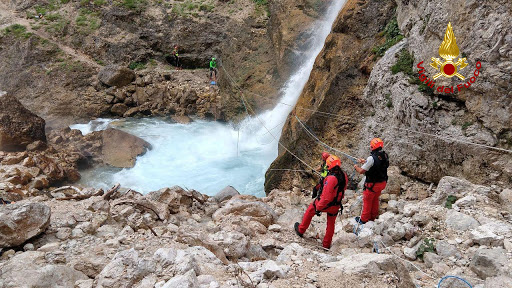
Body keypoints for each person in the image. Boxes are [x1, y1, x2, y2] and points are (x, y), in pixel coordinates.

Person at [295, 155, 348, 250]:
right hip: (336, 205)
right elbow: (342, 190)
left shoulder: (331, 178)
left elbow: (326, 197)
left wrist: (318, 207)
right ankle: (326, 244)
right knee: (331, 223)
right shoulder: (343, 175)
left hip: (326, 204)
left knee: (310, 211)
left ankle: (301, 229)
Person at [353, 138, 389, 224]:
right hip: (382, 182)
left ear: (372, 147)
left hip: (372, 184)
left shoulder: (371, 158)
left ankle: (364, 219)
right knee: (375, 199)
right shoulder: (384, 155)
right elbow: (377, 164)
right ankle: (373, 217)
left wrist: (356, 167)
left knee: (367, 201)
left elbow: (361, 171)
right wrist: (365, 162)